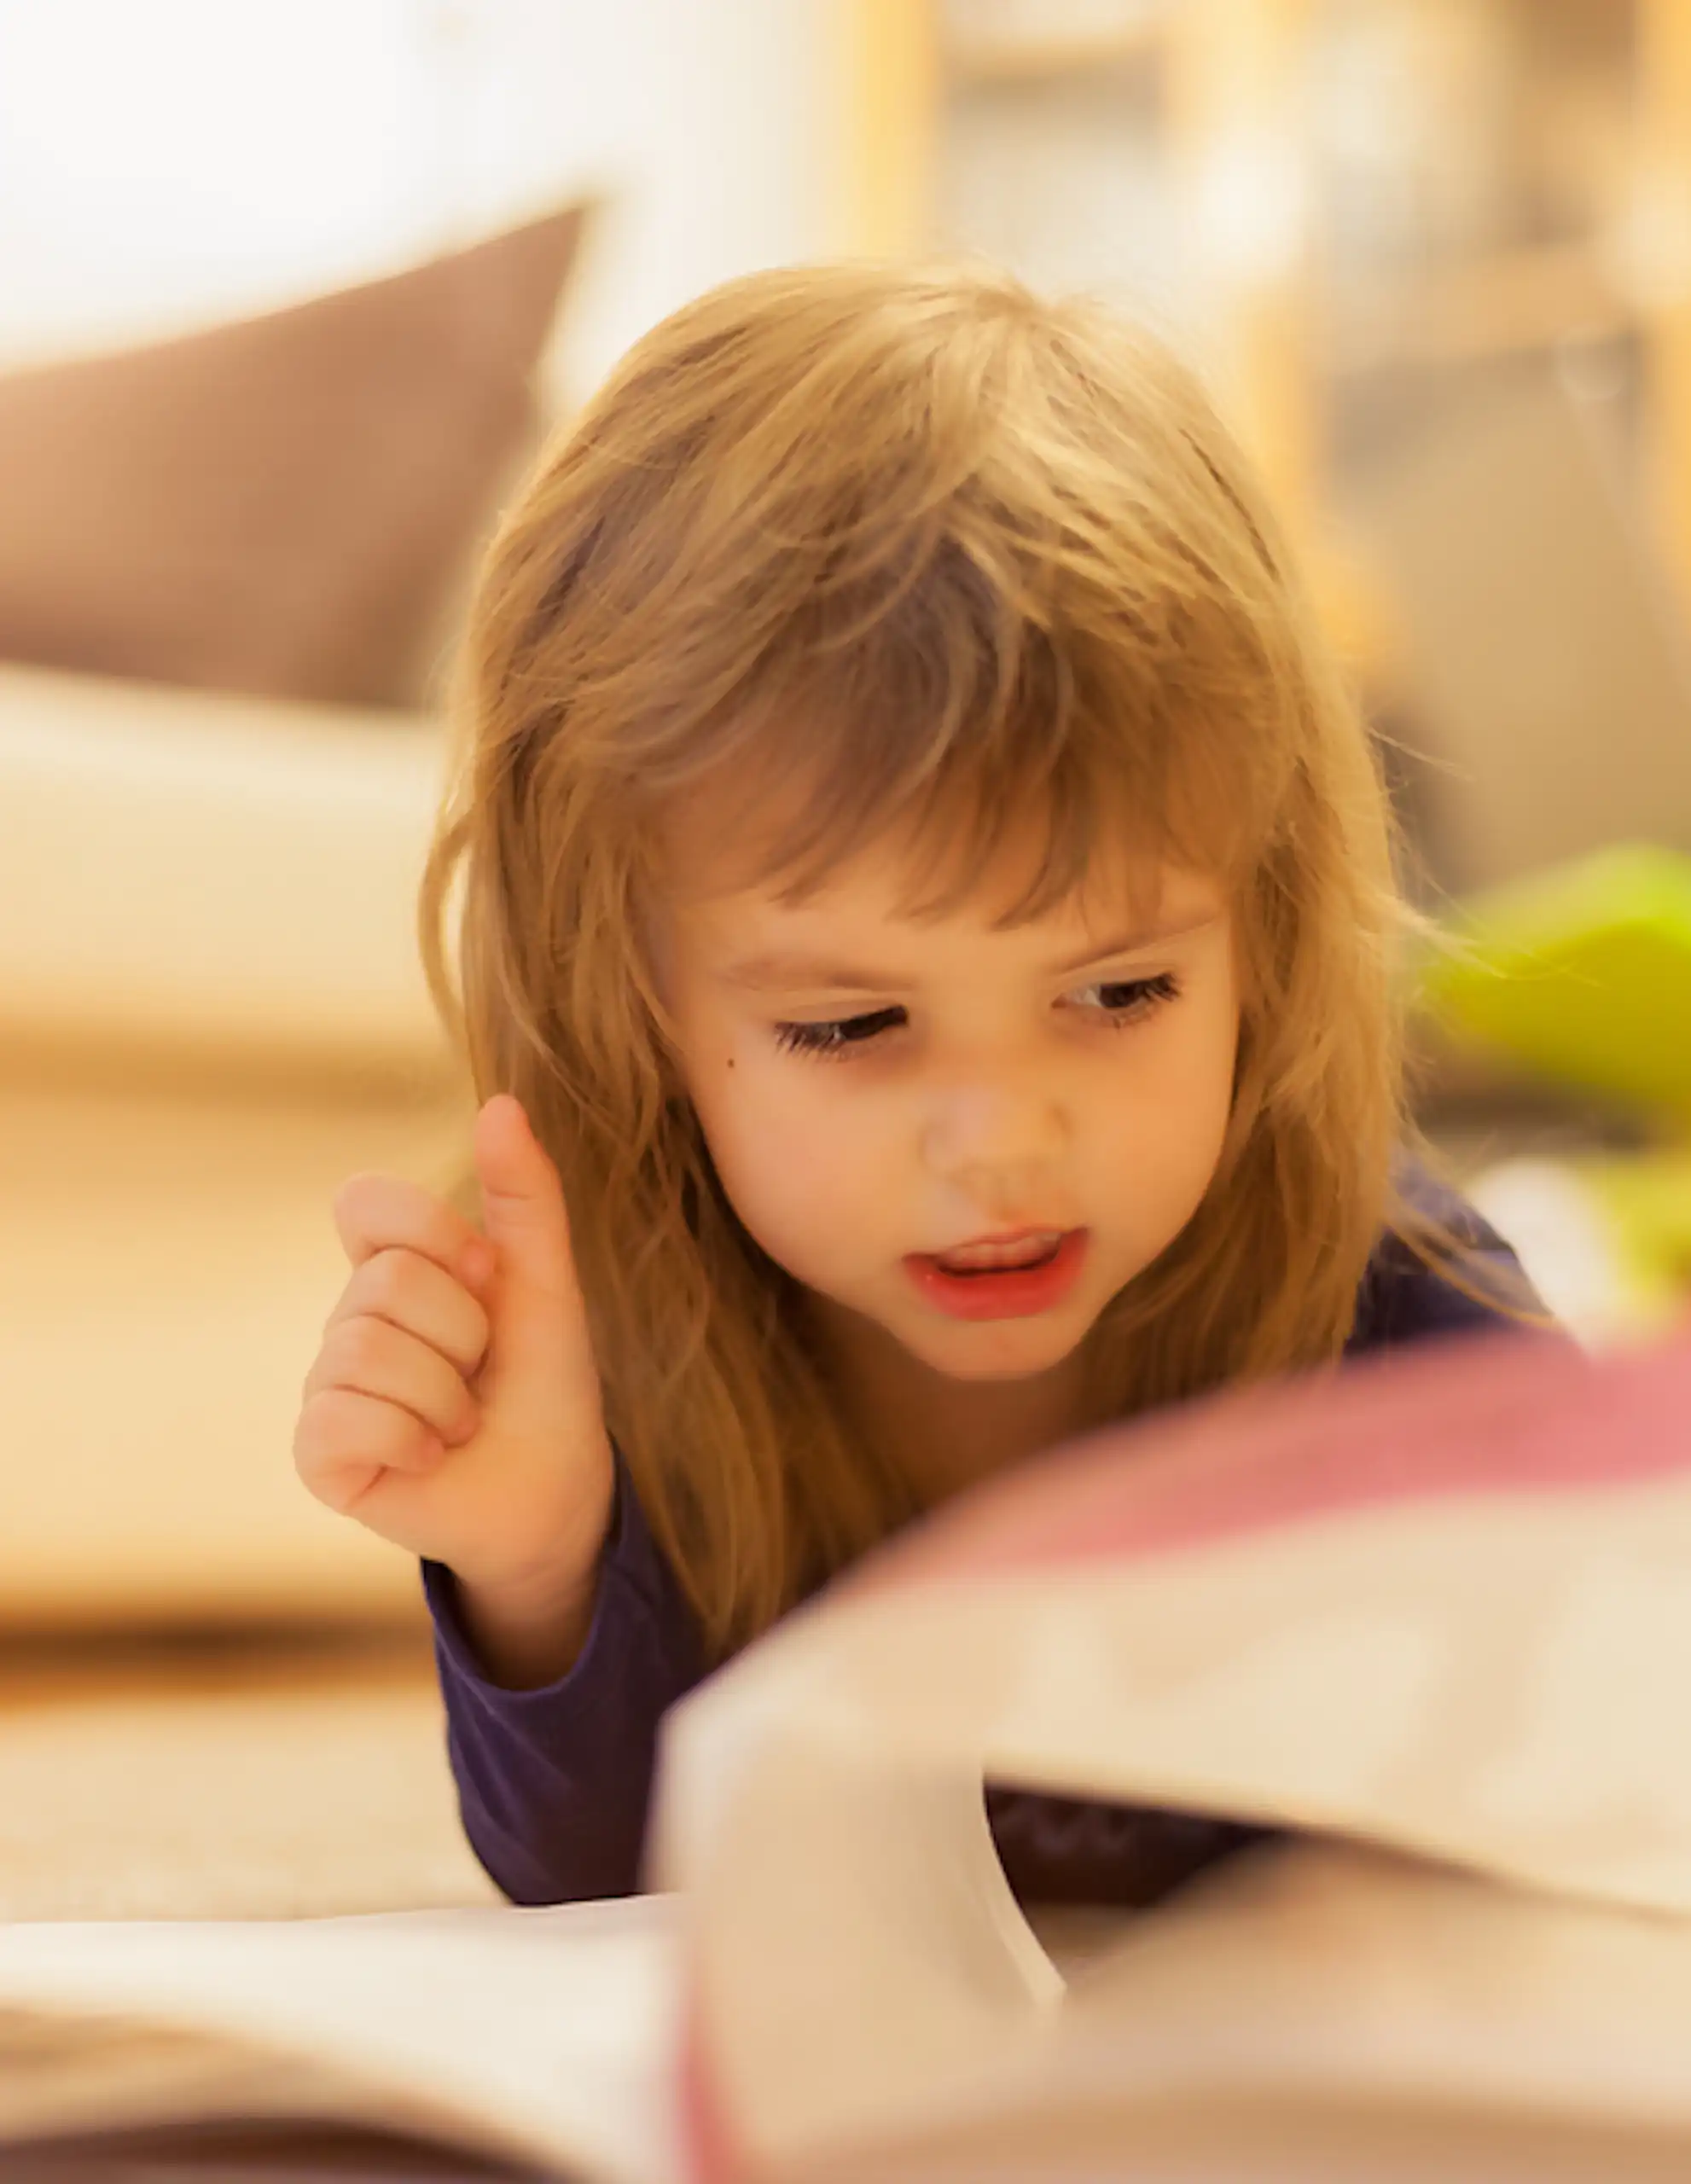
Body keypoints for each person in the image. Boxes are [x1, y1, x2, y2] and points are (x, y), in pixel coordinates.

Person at [292, 262, 1545, 1908]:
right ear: (634, 999)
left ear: (1266, 932)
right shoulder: (603, 1352)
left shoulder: (1411, 1325)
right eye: (854, 1026)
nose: (1003, 1141)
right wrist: (535, 1563)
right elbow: (602, 1897)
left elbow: (1608, 1830)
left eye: (1120, 992)